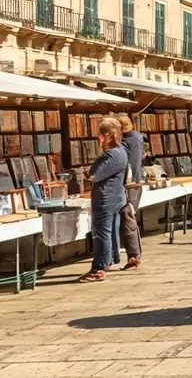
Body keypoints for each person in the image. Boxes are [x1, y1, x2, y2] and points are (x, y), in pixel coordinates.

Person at [79, 117, 128, 282]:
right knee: (110, 231)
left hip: (105, 199)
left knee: (101, 233)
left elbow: (94, 175)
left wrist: (87, 174)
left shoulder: (109, 155)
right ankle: (109, 261)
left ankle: (99, 268)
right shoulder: (122, 151)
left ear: (105, 136)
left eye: (99, 135)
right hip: (116, 197)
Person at [116, 115, 144, 271]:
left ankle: (134, 255)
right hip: (132, 184)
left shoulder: (129, 140)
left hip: (129, 185)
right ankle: (132, 254)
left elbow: (130, 164)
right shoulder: (136, 137)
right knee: (128, 217)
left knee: (128, 216)